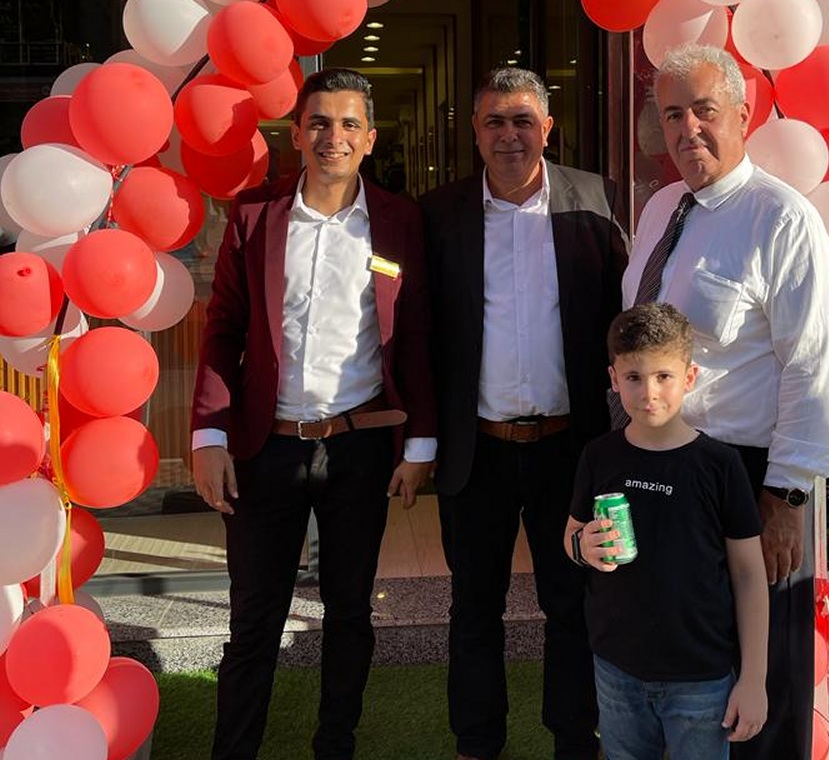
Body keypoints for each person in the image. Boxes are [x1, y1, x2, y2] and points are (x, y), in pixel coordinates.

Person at [190, 68, 436, 760]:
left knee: (350, 612)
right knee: (254, 618)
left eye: (349, 123)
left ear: (370, 138)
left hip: (359, 448)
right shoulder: (254, 215)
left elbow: (416, 337)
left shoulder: (399, 221)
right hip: (264, 448)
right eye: (320, 122)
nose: (335, 136)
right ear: (296, 133)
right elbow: (224, 328)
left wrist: (420, 443)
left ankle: (336, 745)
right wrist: (209, 433)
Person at [623, 44, 829, 759]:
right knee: (684, 671)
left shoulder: (781, 219)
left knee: (759, 688)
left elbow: (815, 367)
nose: (687, 128)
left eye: (704, 110)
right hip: (665, 471)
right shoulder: (660, 209)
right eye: (672, 114)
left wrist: (786, 498)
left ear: (743, 115)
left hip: (750, 483)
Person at [421, 67, 629, 760]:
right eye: (494, 121)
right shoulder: (439, 213)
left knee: (572, 603)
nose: (508, 135)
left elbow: (622, 318)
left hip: (570, 450)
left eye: (522, 121)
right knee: (473, 608)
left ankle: (575, 741)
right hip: (476, 450)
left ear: (548, 127)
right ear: (474, 132)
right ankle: (477, 745)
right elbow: (420, 331)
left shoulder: (595, 201)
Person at [565, 302, 768, 760]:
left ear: (690, 377)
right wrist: (582, 547)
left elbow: (749, 574)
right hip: (616, 668)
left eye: (664, 376)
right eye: (633, 377)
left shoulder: (720, 465)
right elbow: (572, 534)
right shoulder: (599, 456)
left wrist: (754, 679)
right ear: (614, 379)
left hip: (701, 677)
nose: (649, 392)